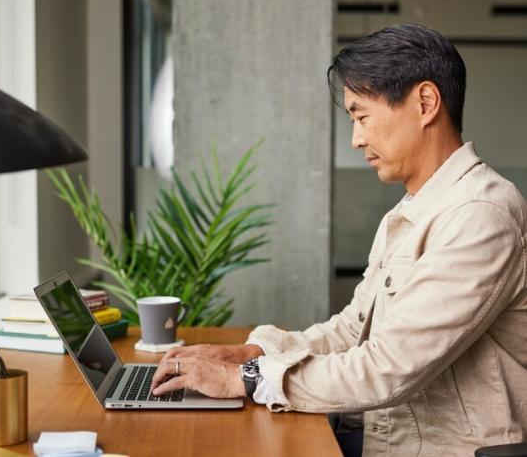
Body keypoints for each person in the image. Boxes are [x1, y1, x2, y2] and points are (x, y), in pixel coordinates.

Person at [150, 24, 527, 456]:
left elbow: (390, 367)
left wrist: (248, 379)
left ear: (425, 103)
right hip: (384, 438)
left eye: (362, 115)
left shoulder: (480, 214)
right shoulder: (409, 212)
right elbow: (353, 329)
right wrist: (248, 353)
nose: (356, 139)